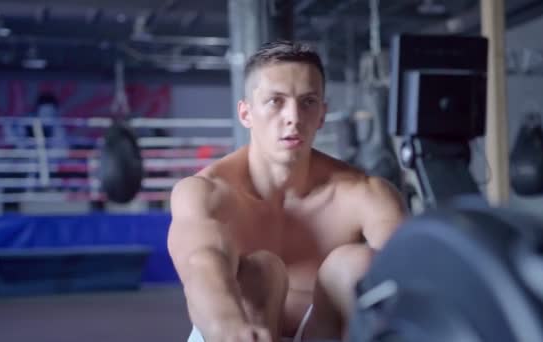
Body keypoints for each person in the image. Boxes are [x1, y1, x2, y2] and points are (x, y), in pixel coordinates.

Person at [167, 41, 407, 342]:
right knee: (260, 273)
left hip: (320, 334)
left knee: (355, 264)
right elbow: (200, 263)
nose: (293, 117)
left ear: (321, 114)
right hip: (232, 334)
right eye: (275, 101)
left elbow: (410, 279)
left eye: (307, 101)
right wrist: (227, 327)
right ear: (246, 113)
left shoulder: (366, 195)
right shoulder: (207, 192)